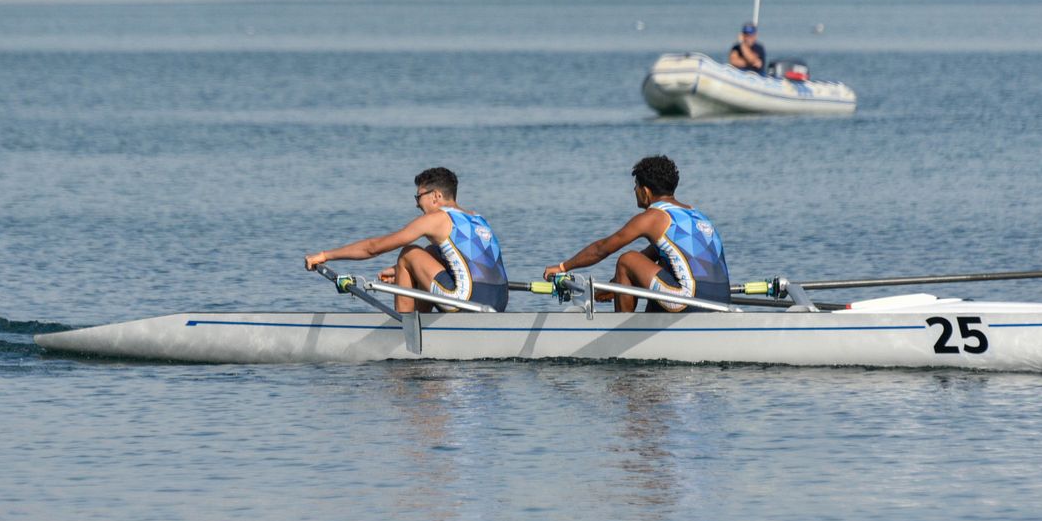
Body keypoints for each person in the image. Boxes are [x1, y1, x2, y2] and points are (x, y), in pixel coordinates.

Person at [542, 155, 730, 313]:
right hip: (722, 300)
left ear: (645, 191)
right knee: (662, 262)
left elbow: (602, 249)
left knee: (627, 259)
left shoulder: (654, 217)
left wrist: (562, 267)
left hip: (690, 298)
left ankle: (623, 332)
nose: (634, 191)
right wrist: (615, 286)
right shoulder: (696, 214)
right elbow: (645, 260)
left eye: (636, 186)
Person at [304, 167, 508, 313]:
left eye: (418, 197)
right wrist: (402, 274)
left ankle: (404, 326)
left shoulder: (437, 219)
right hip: (499, 302)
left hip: (467, 300)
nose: (417, 204)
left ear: (436, 196)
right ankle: (422, 320)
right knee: (430, 251)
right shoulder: (478, 218)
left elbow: (373, 249)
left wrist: (325, 255)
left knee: (409, 253)